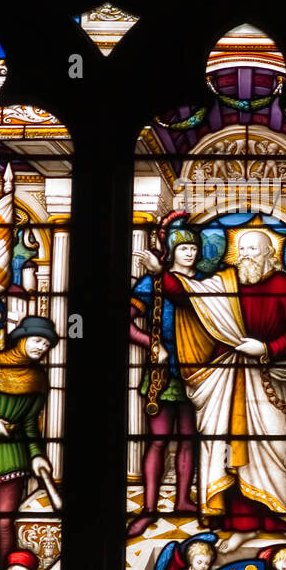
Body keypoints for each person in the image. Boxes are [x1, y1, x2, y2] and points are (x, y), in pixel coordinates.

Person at [136, 226, 286, 553]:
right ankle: (241, 526)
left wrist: (266, 349)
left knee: (276, 450)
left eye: (253, 249)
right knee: (230, 450)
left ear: (269, 253)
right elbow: (188, 295)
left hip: (271, 377)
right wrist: (161, 272)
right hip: (227, 378)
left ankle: (283, 521)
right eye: (241, 249)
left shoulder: (281, 284)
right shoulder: (224, 283)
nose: (246, 255)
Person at [128, 214, 199, 538]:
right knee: (157, 440)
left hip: (199, 372)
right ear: (170, 250)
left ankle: (183, 500)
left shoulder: (202, 282)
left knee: (189, 439)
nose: (190, 253)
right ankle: (150, 508)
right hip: (161, 374)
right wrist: (151, 344)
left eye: (193, 248)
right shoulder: (151, 283)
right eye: (183, 247)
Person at [0, 315, 60, 567]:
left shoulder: (38, 378)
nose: (40, 347)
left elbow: (31, 424)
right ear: (21, 339)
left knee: (3, 520)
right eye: (36, 340)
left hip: (13, 454)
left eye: (45, 345)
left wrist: (36, 455)